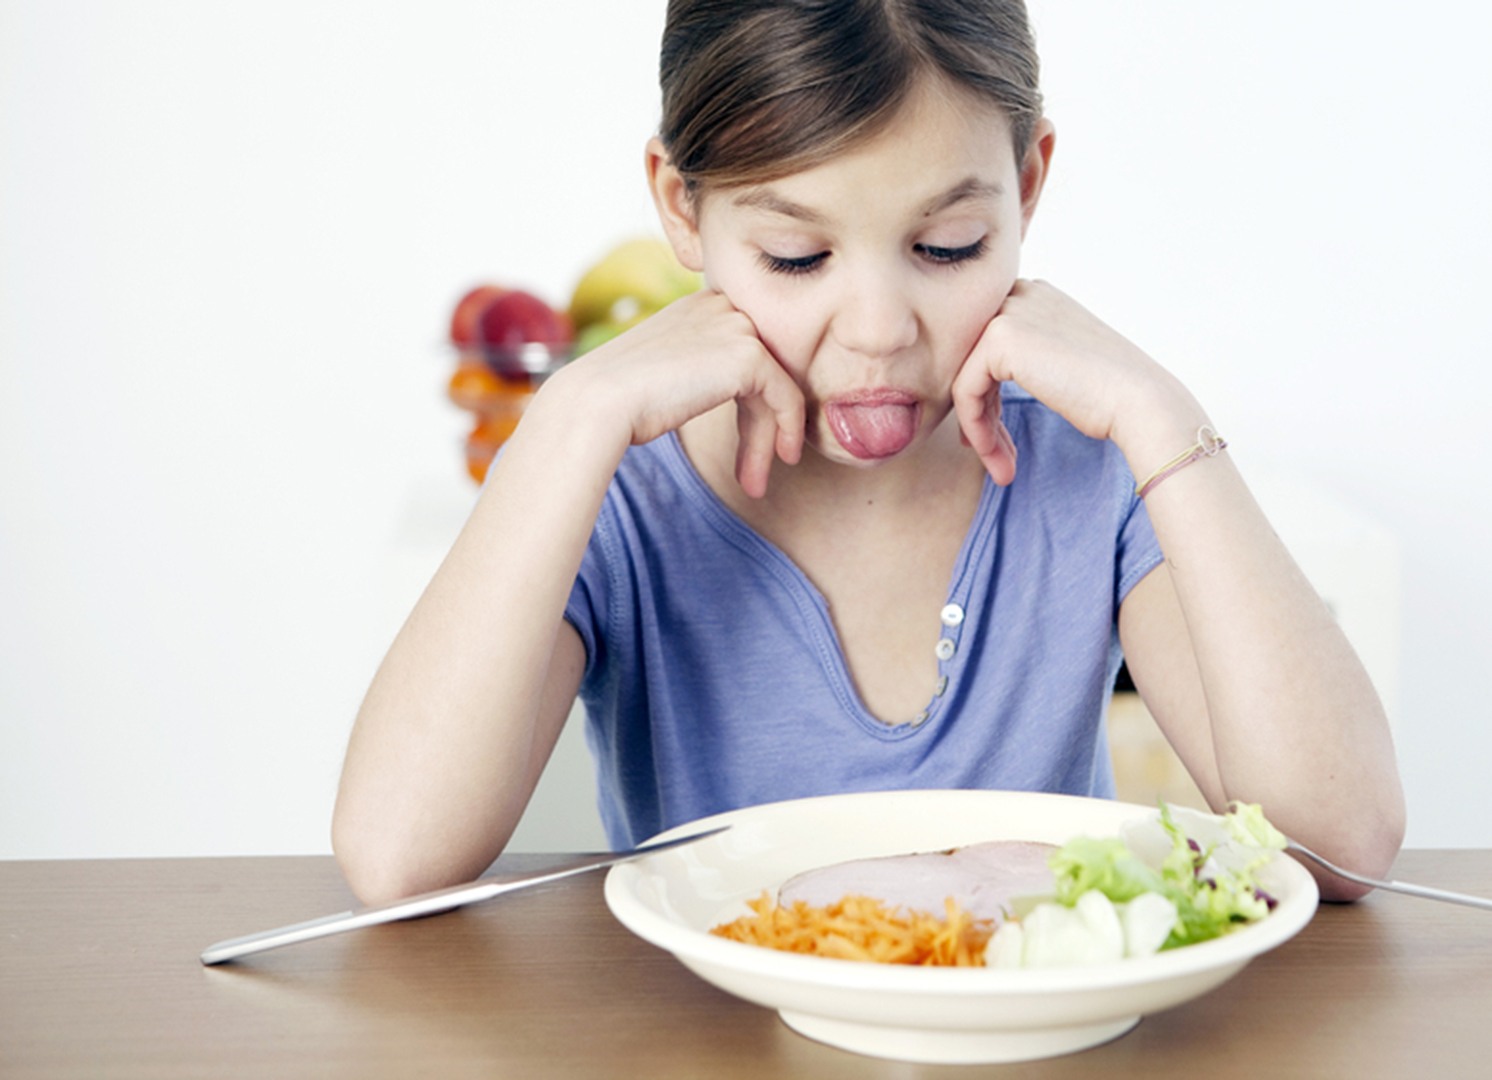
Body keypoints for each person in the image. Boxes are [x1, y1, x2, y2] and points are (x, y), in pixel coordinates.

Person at [333, 0, 1405, 906]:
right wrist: (568, 420)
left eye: (948, 248)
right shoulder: (625, 488)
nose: (879, 330)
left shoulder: (1086, 461)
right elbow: (395, 859)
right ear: (682, 208)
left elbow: (1336, 843)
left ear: (1027, 185)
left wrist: (1162, 415)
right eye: (797, 258)